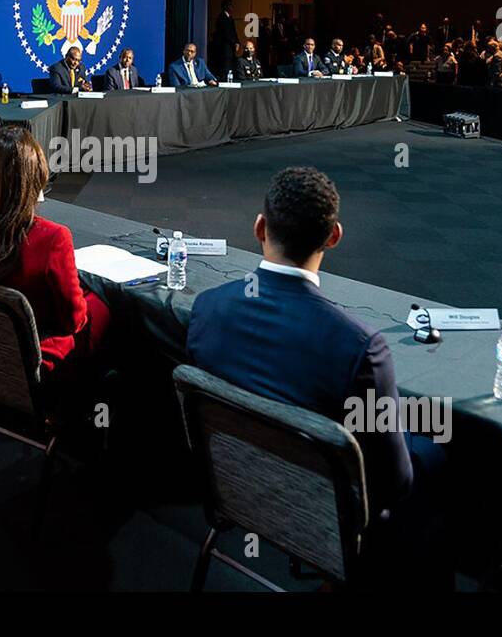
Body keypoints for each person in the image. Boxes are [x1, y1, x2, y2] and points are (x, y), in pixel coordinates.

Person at [184, 167, 444, 573]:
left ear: (259, 227)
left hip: (235, 489)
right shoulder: (360, 347)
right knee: (435, 448)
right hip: (328, 518)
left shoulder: (207, 308)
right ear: (334, 236)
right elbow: (396, 484)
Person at [0, 125, 110, 380]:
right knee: (103, 306)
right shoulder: (54, 238)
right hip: (34, 357)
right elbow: (73, 322)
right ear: (35, 176)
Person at [211, 0, 239, 78]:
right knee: (225, 64)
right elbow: (225, 33)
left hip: (230, 47)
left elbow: (234, 31)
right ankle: (224, 78)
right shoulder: (221, 18)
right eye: (230, 6)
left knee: (230, 63)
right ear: (225, 6)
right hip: (224, 47)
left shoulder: (230, 18)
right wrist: (233, 42)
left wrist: (237, 42)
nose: (232, 8)